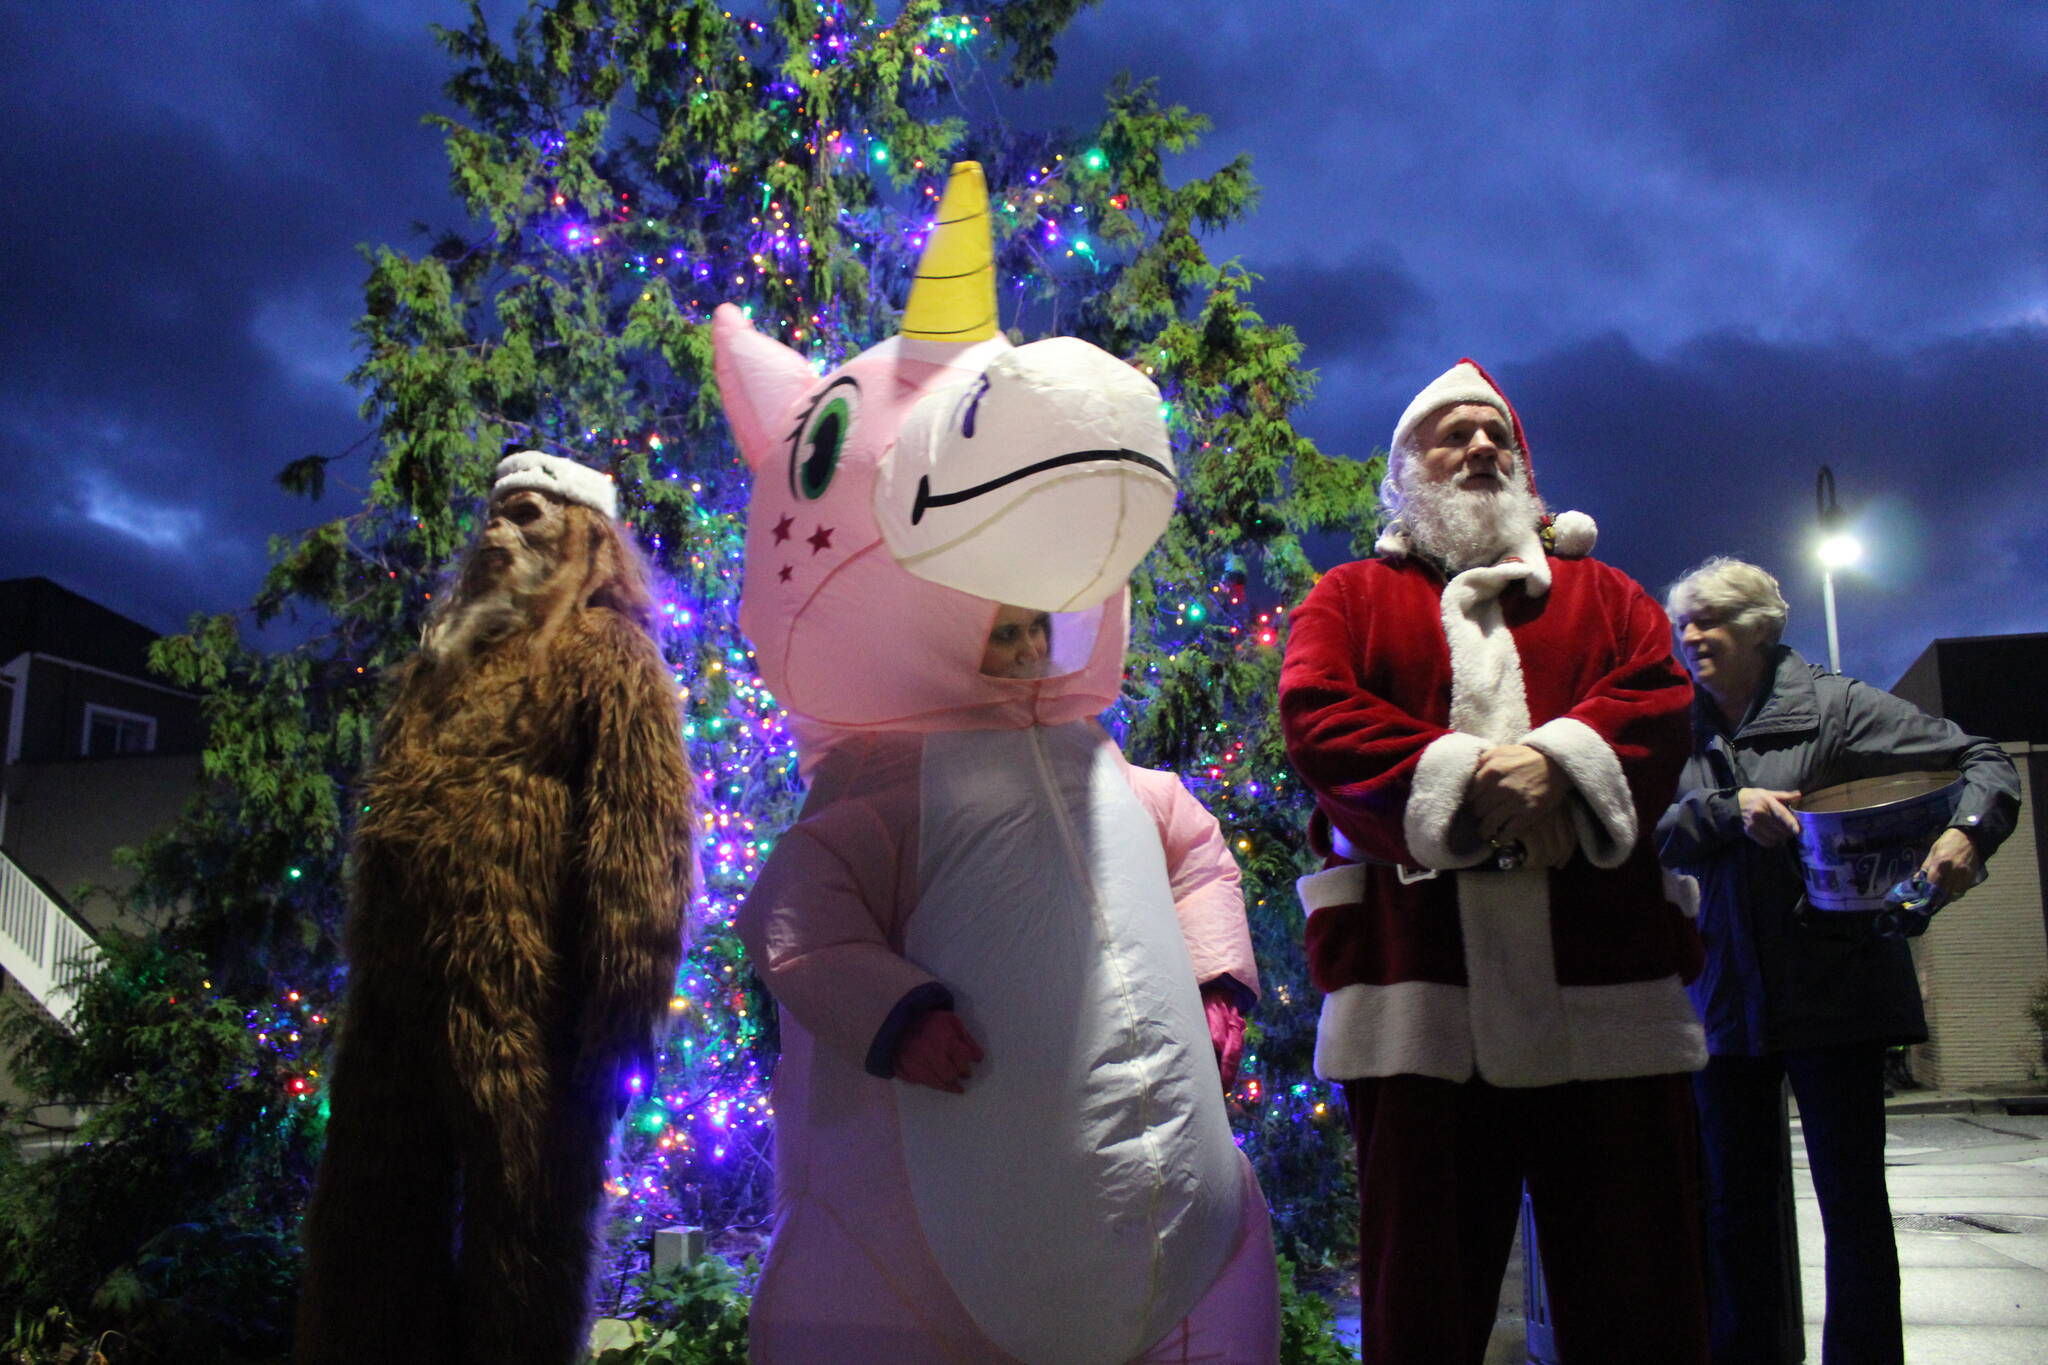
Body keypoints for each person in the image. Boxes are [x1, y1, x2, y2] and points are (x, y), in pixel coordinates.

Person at [714, 172, 1280, 1359]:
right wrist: (893, 1009)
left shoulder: (1109, 774)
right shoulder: (877, 789)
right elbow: (796, 919)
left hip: (1163, 1212)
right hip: (920, 1205)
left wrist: (1219, 979)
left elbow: (1194, 856)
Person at [1278, 358, 1710, 1365]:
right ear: (1405, 470)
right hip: (1419, 1002)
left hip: (1603, 999)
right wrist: (1470, 780)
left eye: (1495, 436)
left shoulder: (1605, 597)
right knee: (1419, 1305)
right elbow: (1317, 718)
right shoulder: (1346, 598)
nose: (1478, 447)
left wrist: (1556, 763)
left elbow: (1656, 699)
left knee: (1640, 1296)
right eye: (1451, 434)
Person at [296, 452, 696, 1365]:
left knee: (523, 1246)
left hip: (528, 1014)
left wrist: (615, 1028)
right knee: (367, 1227)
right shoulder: (437, 666)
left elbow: (642, 855)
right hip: (398, 1008)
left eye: (526, 515)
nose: (497, 534)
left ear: (586, 536)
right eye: (492, 516)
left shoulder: (610, 655)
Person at [1656, 555, 2020, 1365]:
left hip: (1838, 987)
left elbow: (1983, 759)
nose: (1690, 636)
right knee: (1731, 1210)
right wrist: (1726, 807)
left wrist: (1967, 830)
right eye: (1683, 622)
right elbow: (1648, 830)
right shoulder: (1677, 726)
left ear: (1758, 627)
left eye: (1709, 619)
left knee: (1852, 1205)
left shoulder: (1836, 707)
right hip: (1726, 995)